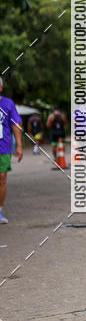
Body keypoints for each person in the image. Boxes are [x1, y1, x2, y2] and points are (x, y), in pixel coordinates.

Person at [0, 77, 23, 224]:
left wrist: (19, 145)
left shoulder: (8, 103)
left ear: (1, 88)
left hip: (3, 148)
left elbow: (15, 125)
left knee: (2, 178)